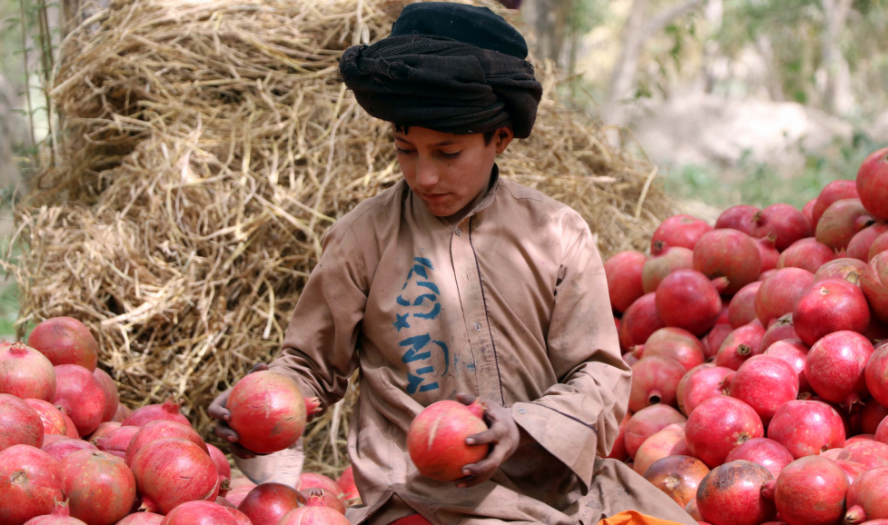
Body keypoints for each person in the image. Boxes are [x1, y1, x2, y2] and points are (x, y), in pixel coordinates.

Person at [209, 3, 697, 525]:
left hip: (554, 492)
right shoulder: (361, 238)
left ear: (500, 140)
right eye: (406, 150)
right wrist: (266, 401)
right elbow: (311, 366)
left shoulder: (557, 233)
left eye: (447, 153)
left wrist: (522, 427)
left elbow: (597, 372)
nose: (424, 176)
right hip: (417, 498)